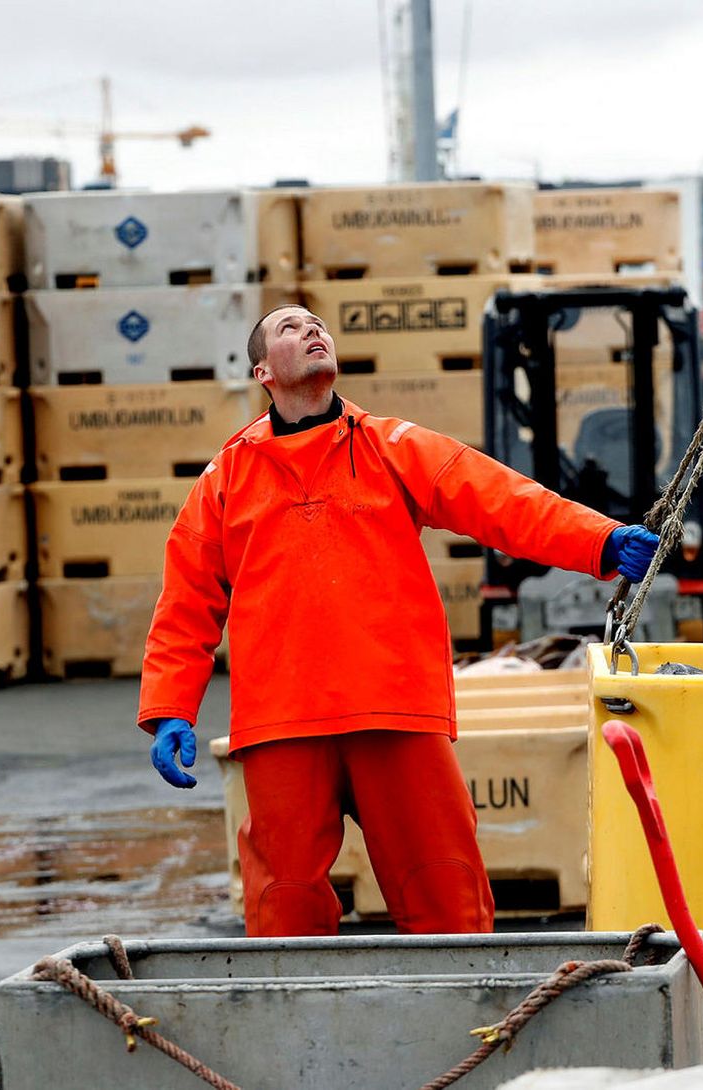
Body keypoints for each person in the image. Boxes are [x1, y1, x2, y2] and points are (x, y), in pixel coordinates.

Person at [137, 303, 659, 938]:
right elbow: (186, 603)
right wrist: (170, 709)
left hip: (394, 707)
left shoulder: (394, 448)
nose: (311, 331)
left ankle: (469, 1026)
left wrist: (598, 541)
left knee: (447, 901)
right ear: (262, 371)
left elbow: (500, 501)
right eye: (289, 328)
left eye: (316, 324)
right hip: (282, 720)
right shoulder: (226, 479)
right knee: (283, 907)